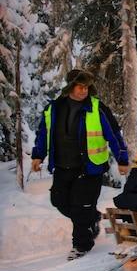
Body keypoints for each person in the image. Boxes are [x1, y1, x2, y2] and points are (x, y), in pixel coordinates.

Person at [31, 69, 129, 260]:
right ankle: (92, 218)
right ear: (70, 87)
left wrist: (122, 159)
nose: (84, 91)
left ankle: (82, 244)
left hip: (89, 168)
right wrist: (38, 156)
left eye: (86, 87)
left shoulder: (97, 108)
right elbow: (43, 134)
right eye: (80, 87)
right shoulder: (53, 108)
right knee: (59, 201)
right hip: (62, 166)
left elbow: (114, 135)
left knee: (81, 207)